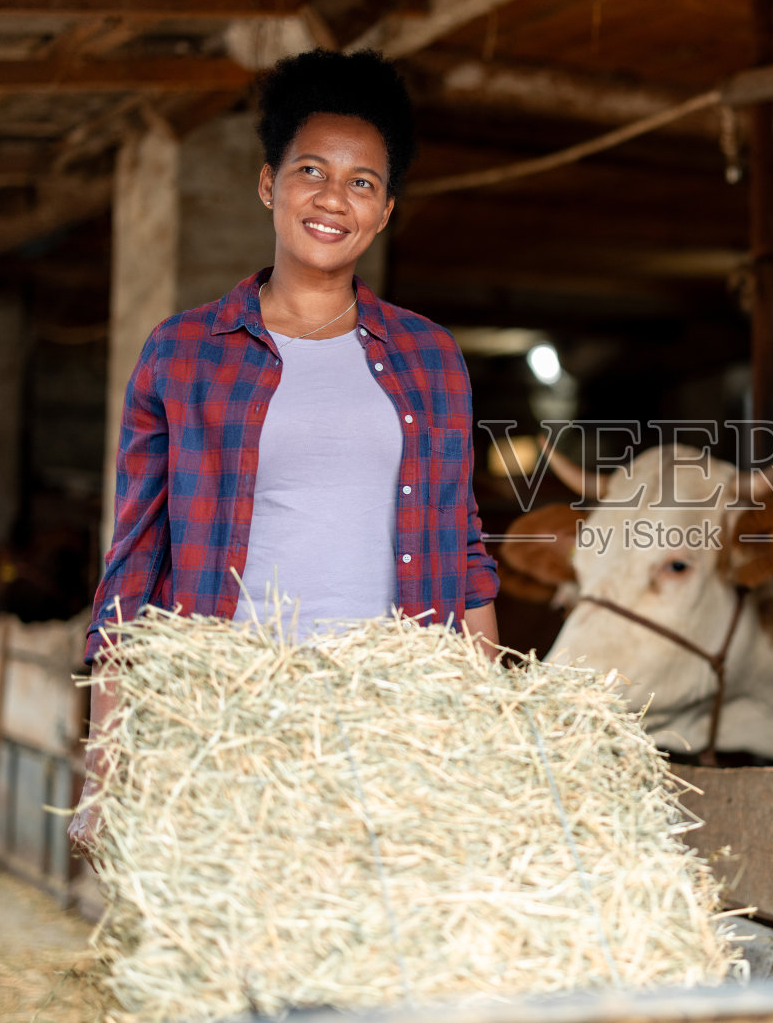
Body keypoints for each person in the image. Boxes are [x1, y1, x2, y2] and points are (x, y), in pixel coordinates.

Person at [68, 49, 499, 854]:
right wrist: (106, 763)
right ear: (269, 184)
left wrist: (496, 737)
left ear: (385, 209)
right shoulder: (185, 351)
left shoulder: (430, 357)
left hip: (395, 722)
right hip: (231, 718)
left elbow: (463, 553)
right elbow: (133, 566)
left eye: (362, 182)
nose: (334, 197)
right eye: (312, 170)